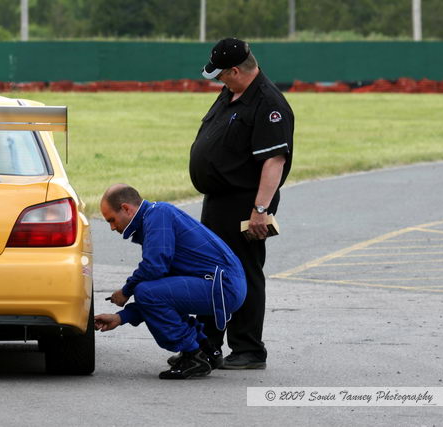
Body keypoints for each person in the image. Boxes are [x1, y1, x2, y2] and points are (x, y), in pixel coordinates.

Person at [190, 38, 294, 369]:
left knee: (244, 274)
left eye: (222, 74)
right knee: (211, 273)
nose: (219, 80)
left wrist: (260, 211)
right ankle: (207, 345)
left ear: (237, 70)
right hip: (218, 201)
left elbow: (274, 161)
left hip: (245, 204)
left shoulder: (268, 103)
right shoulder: (231, 94)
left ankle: (249, 349)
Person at [94, 184, 247, 379]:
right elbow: (159, 284)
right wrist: (120, 318)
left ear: (126, 208)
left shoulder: (158, 216)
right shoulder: (155, 216)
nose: (112, 227)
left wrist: (126, 291)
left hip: (224, 286)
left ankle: (193, 357)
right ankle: (206, 350)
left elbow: (154, 267)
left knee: (146, 292)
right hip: (223, 284)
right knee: (151, 291)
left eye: (112, 220)